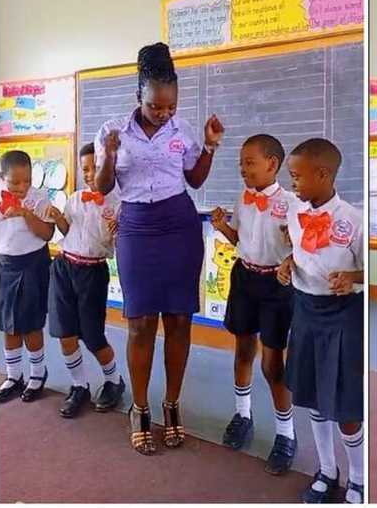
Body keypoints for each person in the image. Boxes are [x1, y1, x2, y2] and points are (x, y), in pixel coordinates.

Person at [93, 42, 224, 455]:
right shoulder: (112, 131)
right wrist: (109, 156)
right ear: (139, 97)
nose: (164, 114)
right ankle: (138, 407)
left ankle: (171, 404)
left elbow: (196, 180)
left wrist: (209, 146)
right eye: (155, 107)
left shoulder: (182, 131)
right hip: (136, 226)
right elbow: (101, 188)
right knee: (139, 322)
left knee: (180, 319)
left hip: (179, 225)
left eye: (170, 107)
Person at [278, 138, 364, 502]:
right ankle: (327, 470)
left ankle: (358, 478)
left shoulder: (352, 219)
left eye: (297, 176)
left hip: (343, 315)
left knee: (344, 403)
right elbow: (296, 252)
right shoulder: (294, 212)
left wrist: (353, 278)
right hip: (306, 310)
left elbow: (368, 272)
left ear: (323, 174)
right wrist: (287, 264)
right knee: (313, 395)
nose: (292, 183)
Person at [209, 134, 297, 474]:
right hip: (245, 278)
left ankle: (286, 433)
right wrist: (222, 227)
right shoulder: (242, 199)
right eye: (241, 164)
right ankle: (242, 414)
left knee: (273, 363)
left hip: (276, 284)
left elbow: (298, 249)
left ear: (272, 164)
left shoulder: (291, 202)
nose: (243, 170)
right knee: (243, 350)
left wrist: (293, 252)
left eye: (250, 163)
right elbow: (238, 239)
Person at [45, 143, 126, 417]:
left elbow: (121, 246)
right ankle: (79, 386)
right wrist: (58, 219)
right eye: (86, 169)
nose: (90, 174)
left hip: (93, 272)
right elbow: (67, 230)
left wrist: (120, 232)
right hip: (64, 267)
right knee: (65, 333)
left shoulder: (119, 203)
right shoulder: (75, 198)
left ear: (109, 167)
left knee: (92, 336)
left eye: (96, 168)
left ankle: (114, 381)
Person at [0, 150, 55, 404]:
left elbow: (47, 234)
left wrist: (26, 213)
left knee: (31, 323)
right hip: (4, 263)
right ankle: (13, 375)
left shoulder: (39, 198)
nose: (22, 187)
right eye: (15, 182)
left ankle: (37, 373)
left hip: (33, 262)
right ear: (2, 177)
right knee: (7, 322)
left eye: (27, 181)